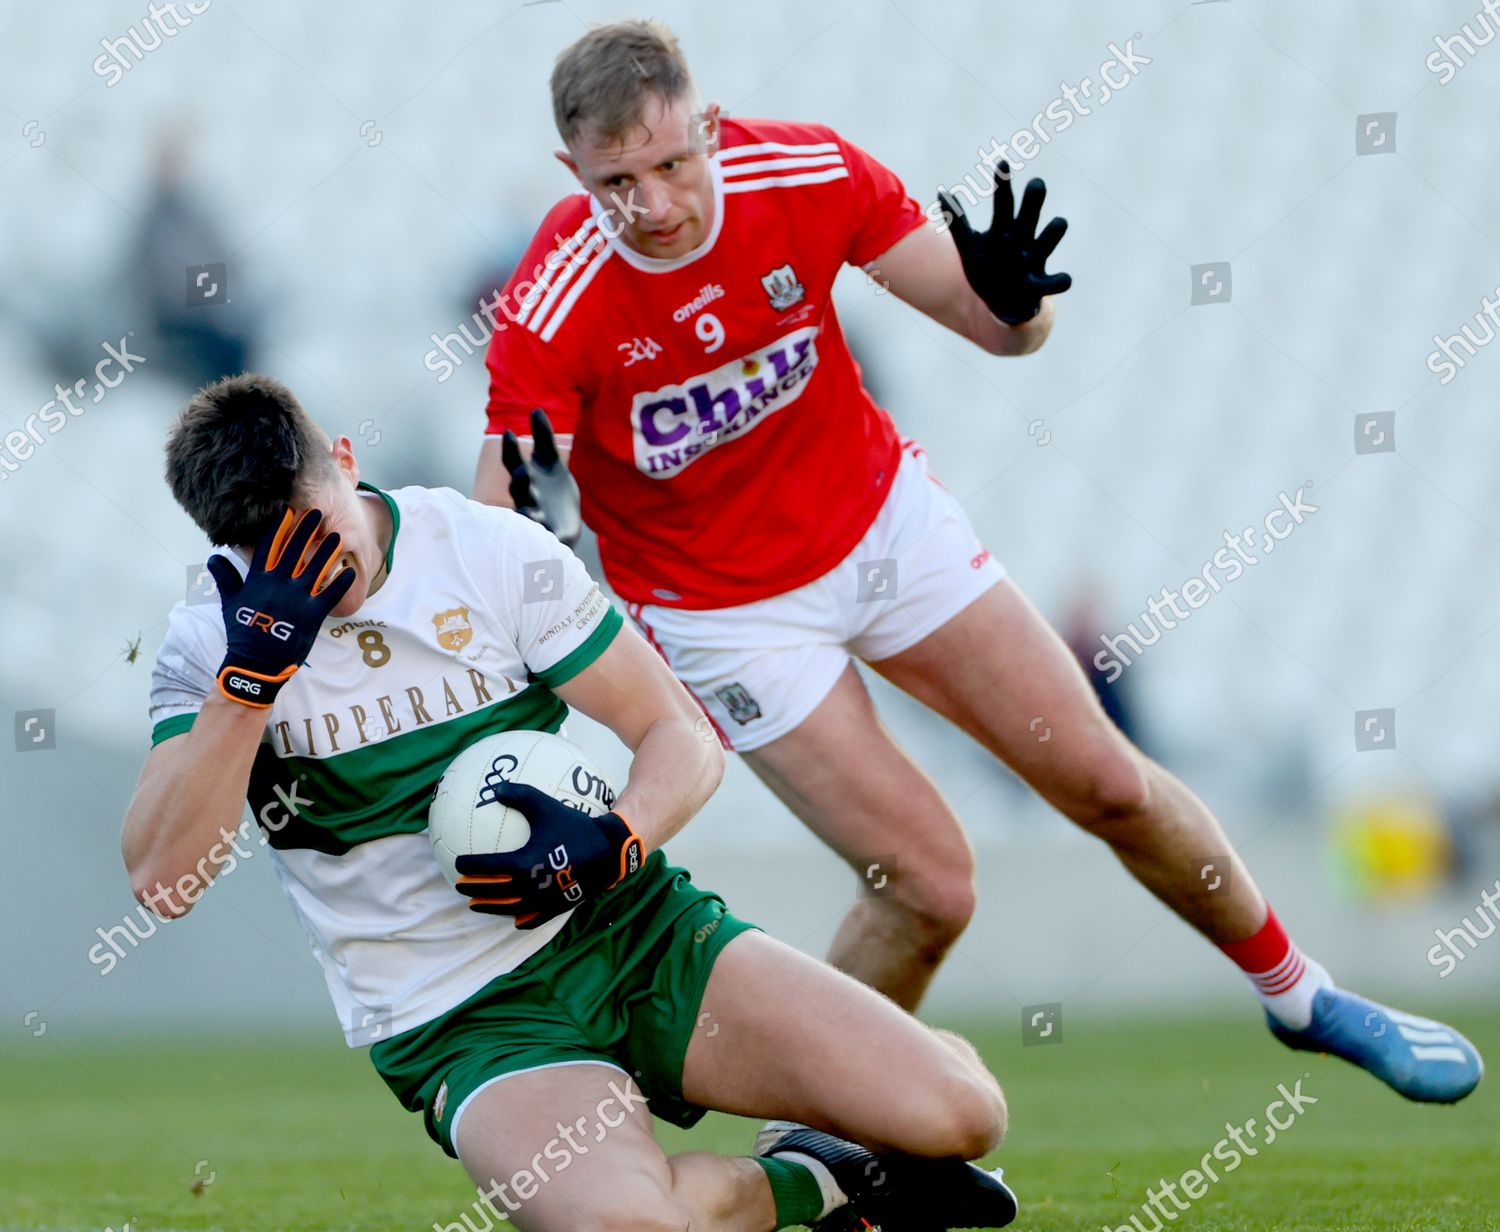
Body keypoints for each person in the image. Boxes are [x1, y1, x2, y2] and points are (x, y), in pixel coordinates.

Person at [475, 20, 1481, 1103]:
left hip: (881, 525)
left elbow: (999, 331)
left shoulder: (807, 171)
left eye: (674, 164)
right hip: (725, 612)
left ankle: (1302, 997)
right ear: (572, 172)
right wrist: (543, 530)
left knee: (1105, 782)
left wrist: (1017, 302)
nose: (657, 206)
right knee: (930, 887)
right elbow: (506, 526)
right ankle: (812, 1135)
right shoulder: (552, 302)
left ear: (712, 128)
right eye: (619, 182)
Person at [121, 373, 1018, 1232]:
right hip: (460, 1014)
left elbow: (680, 734)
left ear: (346, 463)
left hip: (628, 927)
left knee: (963, 1114)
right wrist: (248, 685)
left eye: (322, 535)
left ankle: (876, 1111)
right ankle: (823, 1174)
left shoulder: (485, 550)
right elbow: (163, 879)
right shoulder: (210, 642)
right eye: (278, 554)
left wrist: (614, 839)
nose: (320, 574)